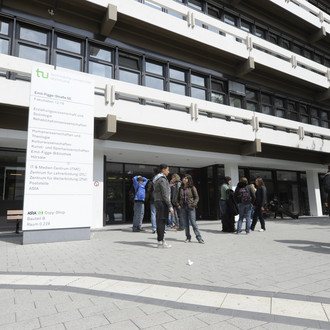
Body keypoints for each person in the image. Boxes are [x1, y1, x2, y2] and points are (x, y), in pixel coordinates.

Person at [177, 174, 204, 244]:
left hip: (191, 207)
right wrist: (178, 205)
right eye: (183, 178)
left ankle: (199, 238)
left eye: (186, 178)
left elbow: (197, 197)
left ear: (189, 180)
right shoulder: (180, 188)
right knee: (186, 224)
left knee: (193, 223)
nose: (184, 179)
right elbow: (177, 198)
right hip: (183, 208)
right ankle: (188, 237)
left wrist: (193, 205)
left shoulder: (192, 188)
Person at [153, 164, 174, 248]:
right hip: (162, 202)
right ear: (163, 170)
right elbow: (165, 194)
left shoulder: (156, 178)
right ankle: (160, 242)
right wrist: (170, 206)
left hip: (157, 201)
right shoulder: (162, 179)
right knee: (161, 222)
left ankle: (160, 241)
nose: (168, 171)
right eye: (167, 170)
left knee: (159, 222)